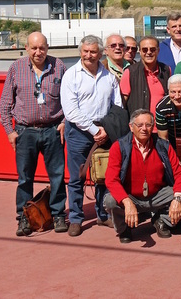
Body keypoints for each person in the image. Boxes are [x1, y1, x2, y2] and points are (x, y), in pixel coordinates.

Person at [0, 32, 68, 235]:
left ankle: (58, 215)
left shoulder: (59, 66)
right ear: (27, 48)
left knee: (57, 176)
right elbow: (5, 102)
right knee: (24, 178)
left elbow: (70, 98)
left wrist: (64, 122)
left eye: (42, 47)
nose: (39, 52)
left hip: (52, 129)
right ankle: (24, 218)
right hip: (25, 131)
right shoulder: (16, 68)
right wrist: (9, 131)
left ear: (47, 47)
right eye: (34, 48)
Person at [103, 109, 181, 243]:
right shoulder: (119, 147)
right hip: (131, 196)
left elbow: (180, 174)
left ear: (153, 127)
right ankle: (124, 228)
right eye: (139, 125)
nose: (144, 129)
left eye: (148, 125)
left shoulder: (163, 145)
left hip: (158, 194)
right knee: (110, 201)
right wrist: (127, 202)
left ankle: (162, 220)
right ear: (131, 127)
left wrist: (176, 199)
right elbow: (111, 179)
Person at [61, 35, 123, 236]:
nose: (89, 55)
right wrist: (95, 131)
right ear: (80, 52)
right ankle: (76, 218)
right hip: (79, 132)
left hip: (104, 131)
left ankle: (103, 215)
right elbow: (71, 111)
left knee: (103, 176)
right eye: (85, 51)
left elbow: (117, 105)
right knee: (77, 177)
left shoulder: (108, 76)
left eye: (93, 51)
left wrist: (106, 128)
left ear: (101, 53)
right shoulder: (71, 76)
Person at [120, 36, 170, 123]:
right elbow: (122, 103)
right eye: (145, 50)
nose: (149, 52)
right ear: (140, 51)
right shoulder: (130, 72)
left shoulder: (166, 70)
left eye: (152, 49)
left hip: (163, 126)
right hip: (140, 127)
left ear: (158, 51)